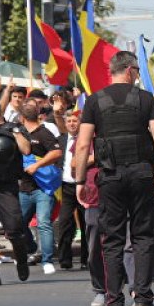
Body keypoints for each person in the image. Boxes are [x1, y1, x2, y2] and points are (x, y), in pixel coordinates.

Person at [74, 51, 154, 306]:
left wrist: (80, 180)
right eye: (138, 72)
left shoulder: (95, 100)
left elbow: (83, 144)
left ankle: (115, 305)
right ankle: (143, 302)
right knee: (143, 237)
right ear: (130, 70)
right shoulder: (145, 99)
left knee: (113, 240)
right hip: (142, 175)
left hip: (109, 177)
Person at [18, 99, 63, 275]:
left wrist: (37, 165)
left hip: (43, 188)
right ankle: (32, 249)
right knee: (17, 225)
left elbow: (57, 152)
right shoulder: (19, 133)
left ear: (22, 117)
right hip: (24, 188)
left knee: (44, 223)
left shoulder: (43, 133)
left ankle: (47, 259)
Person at [0, 107, 31, 284]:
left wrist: (16, 133)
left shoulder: (14, 128)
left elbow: (26, 150)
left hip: (6, 186)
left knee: (14, 228)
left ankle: (22, 260)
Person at [56, 109, 88, 270]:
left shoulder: (86, 139)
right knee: (64, 222)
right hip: (67, 186)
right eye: (69, 121)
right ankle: (64, 259)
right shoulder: (61, 140)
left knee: (86, 224)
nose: (72, 124)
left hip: (84, 185)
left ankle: (86, 259)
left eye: (75, 121)